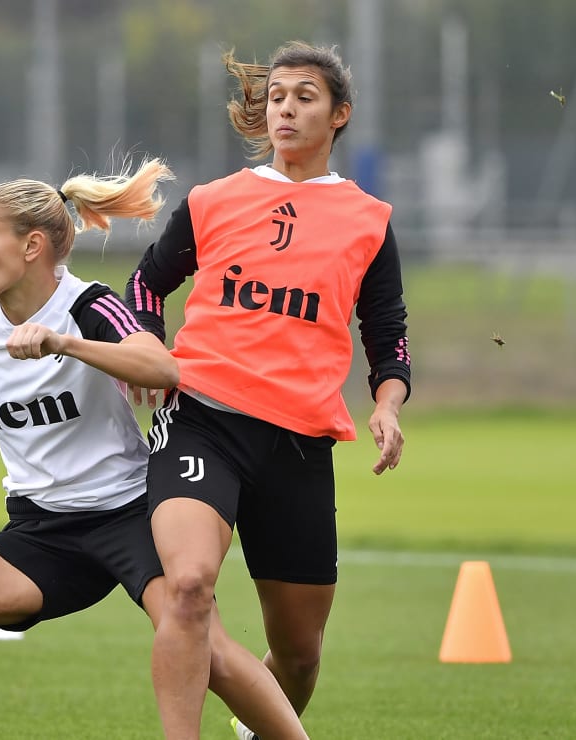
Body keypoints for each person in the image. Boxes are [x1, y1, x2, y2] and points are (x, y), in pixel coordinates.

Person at [0, 159, 308, 740]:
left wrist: (66, 344)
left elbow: (161, 367)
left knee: (205, 646)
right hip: (40, 531)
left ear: (32, 246)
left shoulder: (90, 307)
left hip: (130, 516)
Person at [123, 42, 412, 739]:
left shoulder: (368, 220)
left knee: (300, 656)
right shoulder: (213, 201)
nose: (285, 107)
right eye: (277, 95)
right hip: (202, 422)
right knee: (189, 589)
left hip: (300, 444)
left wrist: (385, 404)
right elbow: (144, 285)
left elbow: (388, 330)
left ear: (339, 114)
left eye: (305, 96)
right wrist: (148, 348)